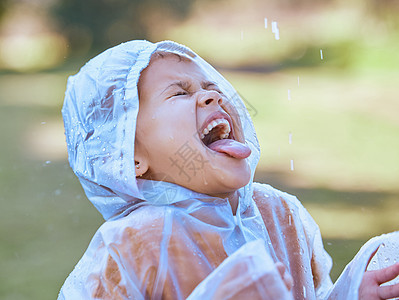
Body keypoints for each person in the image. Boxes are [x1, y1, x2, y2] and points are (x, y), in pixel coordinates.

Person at [58, 40, 399, 299]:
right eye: (179, 92)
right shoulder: (129, 247)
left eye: (212, 87)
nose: (211, 97)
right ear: (128, 158)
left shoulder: (281, 216)